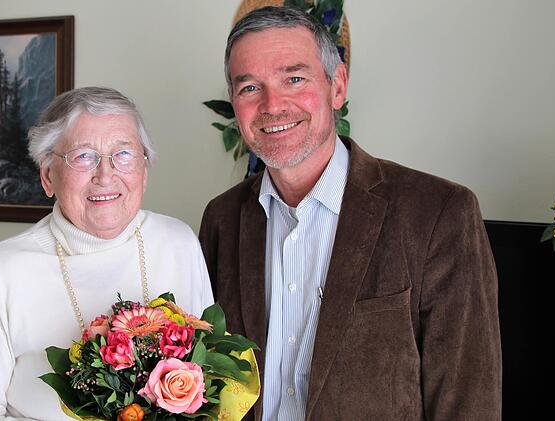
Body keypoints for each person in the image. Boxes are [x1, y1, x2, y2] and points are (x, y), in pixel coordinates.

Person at [199, 6, 501, 421]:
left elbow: (467, 397)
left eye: (294, 79)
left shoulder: (438, 212)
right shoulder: (222, 218)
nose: (273, 104)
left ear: (337, 86)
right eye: (250, 87)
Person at [0, 87, 214, 420]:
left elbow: (211, 380)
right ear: (47, 176)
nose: (105, 175)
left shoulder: (178, 242)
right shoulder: (1, 270)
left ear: (144, 170)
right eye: (83, 156)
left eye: (123, 154)